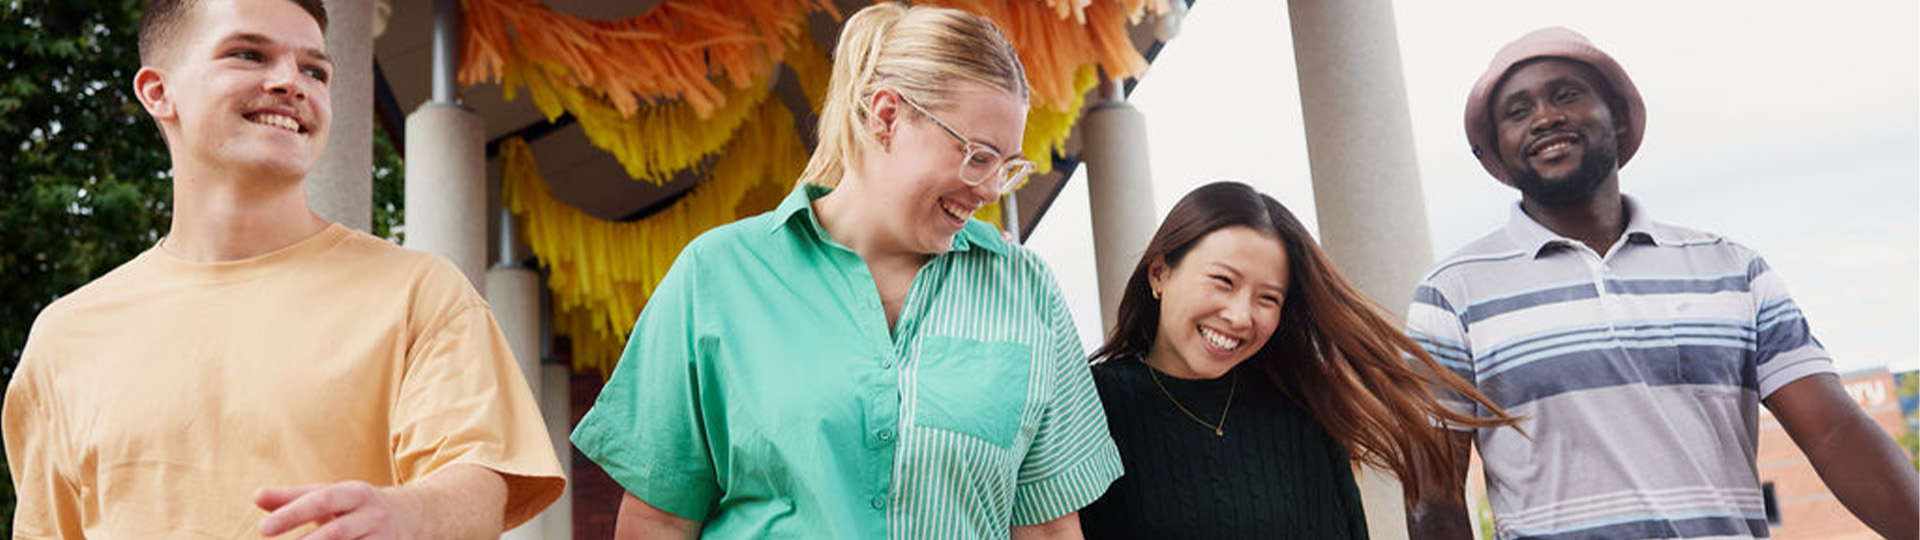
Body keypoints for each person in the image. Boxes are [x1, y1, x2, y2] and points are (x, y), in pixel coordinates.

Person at [0, 0, 567, 537]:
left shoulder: (420, 291)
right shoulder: (64, 336)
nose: (291, 82)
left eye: (315, 71)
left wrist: (407, 515)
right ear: (158, 91)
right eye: (249, 54)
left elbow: (480, 486)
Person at [568, 3, 1122, 539]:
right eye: (978, 156)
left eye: (1007, 167)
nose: (989, 190)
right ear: (887, 116)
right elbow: (659, 522)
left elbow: (1048, 528)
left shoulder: (1026, 291)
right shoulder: (715, 276)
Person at [1404, 27, 1919, 540]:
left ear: (1620, 116)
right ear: (1496, 148)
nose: (1545, 117)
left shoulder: (1732, 269)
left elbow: (1834, 432)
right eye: (1517, 112)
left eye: (1566, 95)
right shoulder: (1453, 294)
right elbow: (1433, 492)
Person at [1078, 181, 1517, 539]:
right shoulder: (1086, 405)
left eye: (1267, 298)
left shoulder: (1301, 404)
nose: (1239, 316)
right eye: (1223, 281)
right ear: (1160, 273)